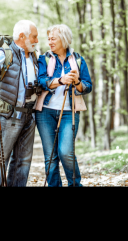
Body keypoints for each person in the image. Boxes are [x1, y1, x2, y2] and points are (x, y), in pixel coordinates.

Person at [0, 20, 39, 187]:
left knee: (23, 162)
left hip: (29, 116)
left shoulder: (34, 55)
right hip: (10, 116)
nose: (36, 40)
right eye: (34, 37)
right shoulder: (4, 53)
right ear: (22, 36)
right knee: (0, 161)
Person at [36, 24, 92, 187]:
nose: (50, 41)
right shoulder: (44, 59)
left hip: (69, 112)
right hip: (45, 112)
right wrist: (60, 80)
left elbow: (88, 86)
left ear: (64, 39)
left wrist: (77, 82)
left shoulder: (79, 60)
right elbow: (41, 81)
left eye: (53, 38)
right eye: (49, 38)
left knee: (66, 152)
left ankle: (75, 185)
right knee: (51, 157)